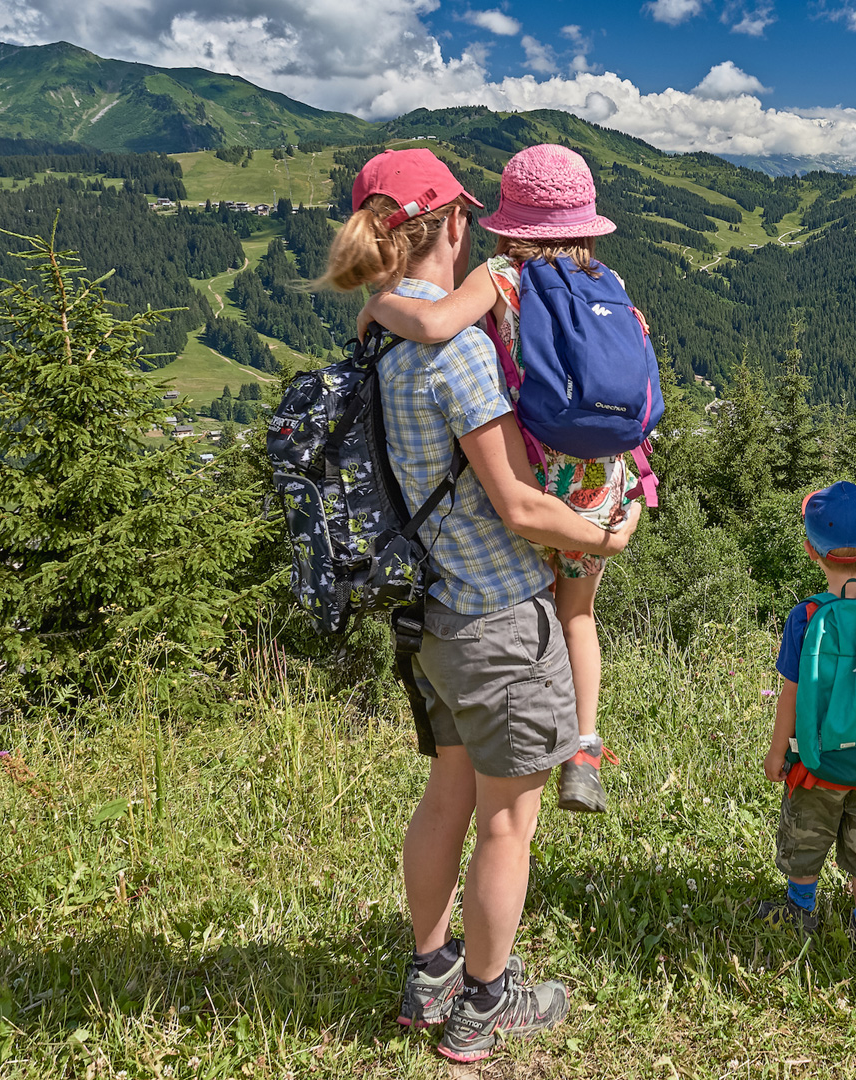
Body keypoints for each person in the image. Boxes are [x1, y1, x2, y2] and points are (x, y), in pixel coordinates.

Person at [318, 148, 640, 1064]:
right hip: (497, 618)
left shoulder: (383, 335)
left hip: (426, 613)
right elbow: (520, 506)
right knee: (508, 823)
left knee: (446, 797)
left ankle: (431, 975)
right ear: (456, 222)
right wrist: (603, 537)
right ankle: (486, 1005)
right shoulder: (457, 350)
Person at [359, 143, 632, 816]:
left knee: (539, 594)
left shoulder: (501, 274)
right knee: (579, 613)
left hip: (535, 472)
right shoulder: (610, 282)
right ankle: (586, 746)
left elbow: (434, 322)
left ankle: (550, 723)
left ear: (508, 223)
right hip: (599, 481)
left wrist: (378, 308)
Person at [754, 482, 856, 963]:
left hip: (816, 762)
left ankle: (800, 911)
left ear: (810, 549)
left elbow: (791, 694)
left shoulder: (806, 616)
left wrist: (777, 752)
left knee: (806, 837)